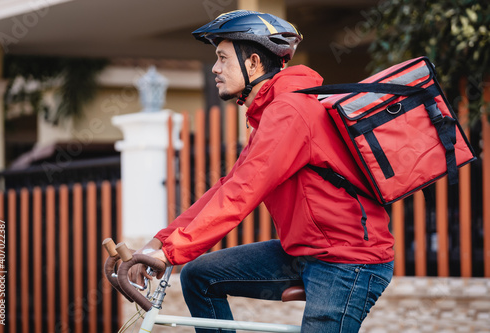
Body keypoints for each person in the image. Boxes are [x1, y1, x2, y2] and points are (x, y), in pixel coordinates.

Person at [129, 10, 394, 333]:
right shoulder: (273, 111)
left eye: (222, 58)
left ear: (253, 63)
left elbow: (242, 193)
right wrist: (161, 242)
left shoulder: (290, 111)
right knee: (201, 276)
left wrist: (171, 252)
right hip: (307, 250)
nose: (215, 68)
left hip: (346, 261)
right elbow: (228, 186)